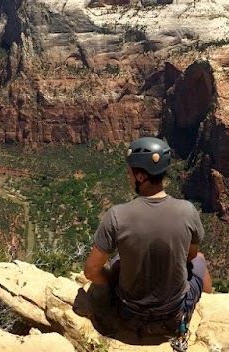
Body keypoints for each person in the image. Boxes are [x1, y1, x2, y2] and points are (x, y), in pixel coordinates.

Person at [83, 136, 213, 345]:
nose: (128, 178)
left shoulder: (116, 216)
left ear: (141, 176)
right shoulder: (188, 211)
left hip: (129, 316)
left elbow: (90, 272)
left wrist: (112, 278)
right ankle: (209, 304)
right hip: (173, 317)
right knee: (200, 260)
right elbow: (190, 256)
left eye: (129, 174)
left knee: (118, 260)